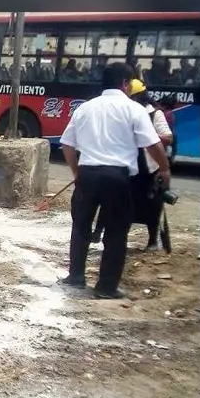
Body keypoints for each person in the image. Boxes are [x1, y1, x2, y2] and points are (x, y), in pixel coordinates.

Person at [58, 63, 171, 299]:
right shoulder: (133, 109)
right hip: (117, 178)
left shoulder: (85, 109)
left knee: (80, 227)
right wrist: (164, 168)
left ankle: (76, 276)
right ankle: (106, 287)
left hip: (87, 174)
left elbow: (66, 144)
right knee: (116, 231)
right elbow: (153, 144)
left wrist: (77, 173)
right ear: (125, 83)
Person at [91, 79, 174, 251]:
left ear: (138, 96)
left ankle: (152, 241)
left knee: (152, 205)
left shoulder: (154, 114)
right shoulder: (126, 112)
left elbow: (167, 137)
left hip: (148, 168)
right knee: (114, 200)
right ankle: (100, 233)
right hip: (125, 165)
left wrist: (146, 138)